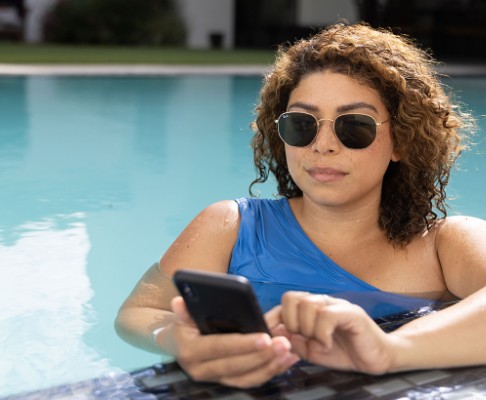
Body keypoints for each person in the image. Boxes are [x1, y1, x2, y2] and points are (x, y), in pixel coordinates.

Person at [115, 23, 486, 389]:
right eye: (301, 124)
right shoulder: (230, 226)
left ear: (401, 141)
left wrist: (389, 350)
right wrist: (174, 339)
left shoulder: (445, 245)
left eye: (354, 126)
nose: (322, 145)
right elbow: (139, 312)